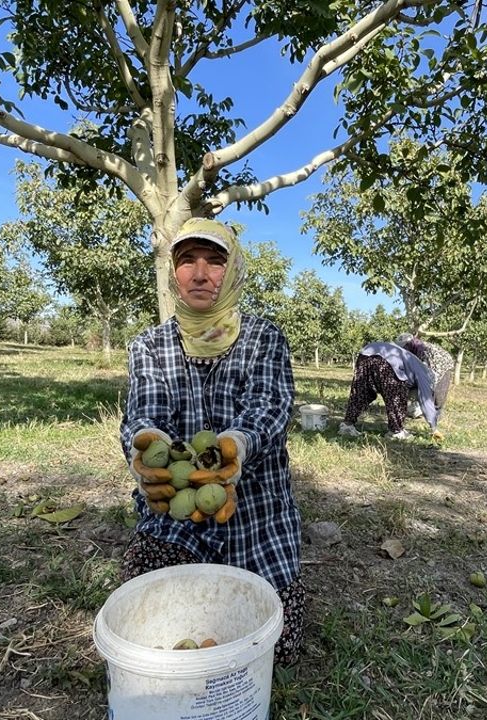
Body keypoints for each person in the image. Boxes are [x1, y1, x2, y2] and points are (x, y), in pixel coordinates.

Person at [118, 217, 306, 665]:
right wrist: (146, 447)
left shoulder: (264, 338)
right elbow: (144, 412)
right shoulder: (149, 346)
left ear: (233, 270)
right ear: (173, 272)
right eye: (187, 261)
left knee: (278, 647)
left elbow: (270, 408)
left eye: (214, 261)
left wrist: (237, 446)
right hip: (176, 516)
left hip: (257, 515)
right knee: (152, 632)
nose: (200, 274)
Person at [337, 339, 440, 439]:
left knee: (362, 392)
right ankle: (396, 431)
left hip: (365, 353)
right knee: (397, 395)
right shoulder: (426, 375)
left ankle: (347, 425)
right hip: (387, 360)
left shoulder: (412, 360)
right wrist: (434, 427)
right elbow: (426, 400)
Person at [397, 333, 455, 416]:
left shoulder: (420, 348)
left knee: (439, 391)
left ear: (408, 344)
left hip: (443, 364)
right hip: (434, 364)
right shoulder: (414, 348)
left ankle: (435, 414)